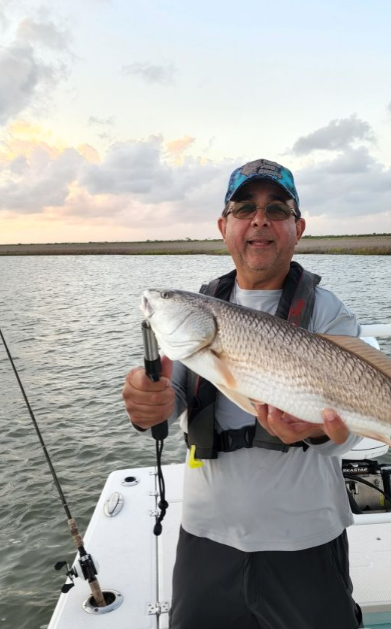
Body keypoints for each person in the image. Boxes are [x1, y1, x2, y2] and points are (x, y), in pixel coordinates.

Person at [123, 159, 363, 629]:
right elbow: (167, 399)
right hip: (206, 537)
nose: (260, 220)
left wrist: (318, 429)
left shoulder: (331, 315)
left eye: (277, 209)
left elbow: (352, 429)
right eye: (244, 208)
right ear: (224, 226)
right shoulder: (195, 309)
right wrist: (147, 402)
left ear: (298, 228)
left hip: (306, 538)